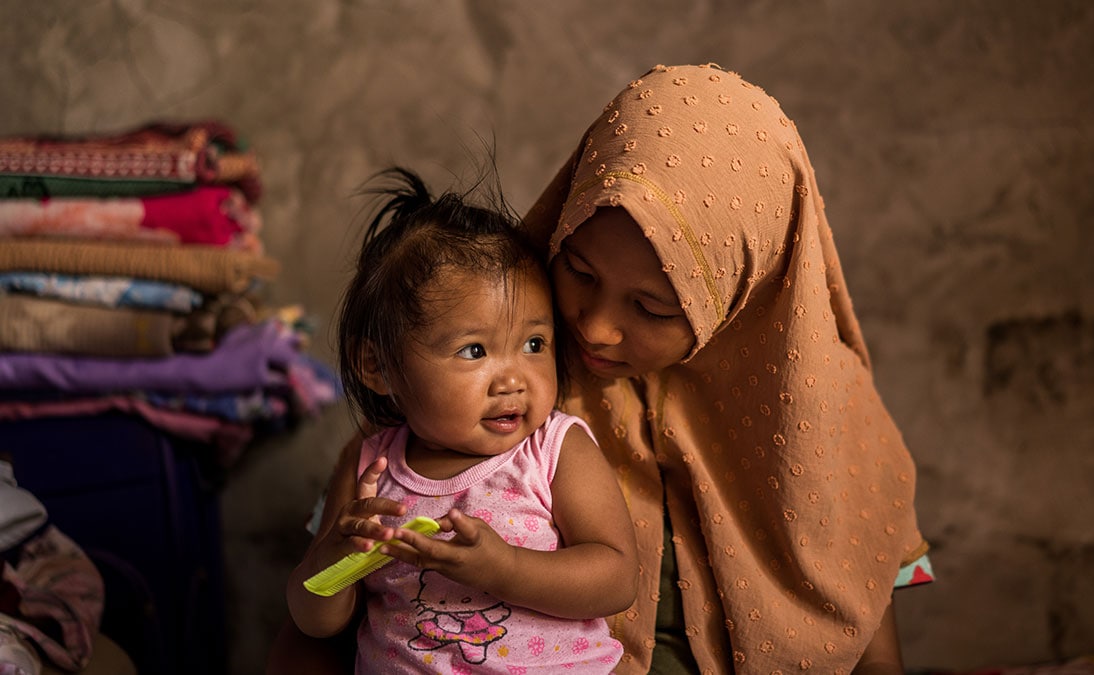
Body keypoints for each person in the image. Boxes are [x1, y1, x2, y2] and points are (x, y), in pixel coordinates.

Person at [272, 63, 932, 675]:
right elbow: (315, 624)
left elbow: (865, 635)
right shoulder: (462, 399)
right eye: (579, 271)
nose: (591, 328)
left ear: (742, 296)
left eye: (651, 307)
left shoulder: (827, 429)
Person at [285, 168, 637, 674]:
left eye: (534, 344)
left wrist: (507, 569)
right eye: (475, 350)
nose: (513, 379)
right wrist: (332, 561)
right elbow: (316, 621)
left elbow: (617, 578)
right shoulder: (371, 466)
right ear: (378, 368)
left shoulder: (554, 450)